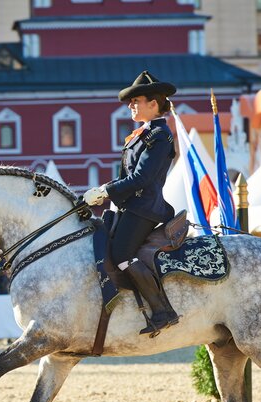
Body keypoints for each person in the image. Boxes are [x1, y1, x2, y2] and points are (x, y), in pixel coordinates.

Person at [82, 70, 179, 335]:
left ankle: (162, 310)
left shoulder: (159, 136)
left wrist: (106, 190)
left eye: (136, 101)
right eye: (131, 102)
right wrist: (105, 193)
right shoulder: (143, 134)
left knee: (122, 255)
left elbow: (142, 178)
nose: (130, 106)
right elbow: (127, 176)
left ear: (153, 104)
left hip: (144, 208)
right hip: (130, 206)